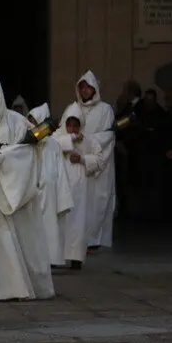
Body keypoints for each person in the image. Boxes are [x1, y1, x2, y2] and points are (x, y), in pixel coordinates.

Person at [0, 74, 53, 301]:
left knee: (13, 241)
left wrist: (1, 159)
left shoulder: (15, 121)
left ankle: (15, 285)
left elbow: (27, 150)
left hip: (9, 190)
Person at [53, 103, 103, 269]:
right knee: (59, 221)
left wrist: (82, 159)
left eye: (76, 125)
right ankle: (56, 256)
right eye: (69, 124)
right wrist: (72, 139)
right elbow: (53, 148)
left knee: (78, 222)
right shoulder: (57, 137)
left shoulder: (89, 140)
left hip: (81, 188)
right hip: (61, 185)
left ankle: (76, 257)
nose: (72, 128)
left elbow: (100, 160)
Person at [26, 103, 73, 268]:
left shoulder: (53, 145)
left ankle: (51, 258)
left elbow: (60, 172)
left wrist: (63, 197)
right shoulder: (26, 143)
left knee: (50, 225)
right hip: (32, 190)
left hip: (49, 191)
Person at [74, 71, 116, 252]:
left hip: (98, 164)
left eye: (88, 87)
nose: (85, 90)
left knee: (97, 202)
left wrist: (86, 142)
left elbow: (108, 134)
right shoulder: (74, 108)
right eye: (82, 87)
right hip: (77, 163)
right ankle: (77, 240)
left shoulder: (105, 109)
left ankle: (93, 240)